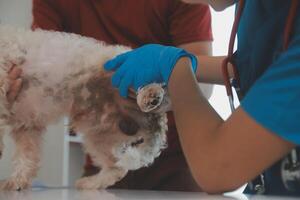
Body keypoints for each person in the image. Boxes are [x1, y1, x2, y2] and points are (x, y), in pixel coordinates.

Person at [104, 0, 300, 196]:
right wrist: (190, 64)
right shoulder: (260, 8)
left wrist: (177, 68)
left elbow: (217, 170)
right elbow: (253, 66)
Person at [30, 0, 214, 191]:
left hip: (176, 160)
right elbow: (38, 68)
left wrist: (152, 100)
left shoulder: (185, 2)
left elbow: (203, 84)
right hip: (104, 159)